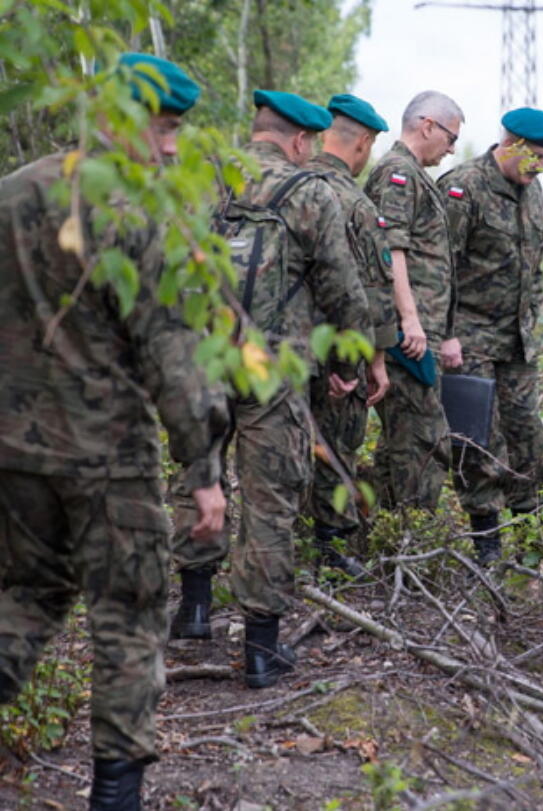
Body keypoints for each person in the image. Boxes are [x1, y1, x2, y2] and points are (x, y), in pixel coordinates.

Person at [0, 53, 228, 810]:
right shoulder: (136, 212)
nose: (169, 148)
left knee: (28, 595)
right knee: (127, 620)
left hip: (16, 452)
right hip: (109, 461)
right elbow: (174, 355)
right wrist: (204, 470)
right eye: (160, 128)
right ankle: (116, 798)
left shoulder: (13, 193)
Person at [169, 89, 372, 689]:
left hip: (203, 355)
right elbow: (342, 289)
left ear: (256, 130)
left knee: (197, 475)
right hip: (275, 370)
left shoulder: (204, 178)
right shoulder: (311, 192)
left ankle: (195, 610)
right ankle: (260, 650)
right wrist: (346, 364)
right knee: (269, 499)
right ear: (302, 140)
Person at [438, 107, 543, 564]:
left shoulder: (534, 193)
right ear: (509, 144)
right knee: (477, 444)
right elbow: (439, 266)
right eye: (533, 158)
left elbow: (535, 267)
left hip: (516, 341)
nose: (539, 168)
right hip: (468, 336)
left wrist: (531, 316)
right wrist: (446, 333)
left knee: (528, 436)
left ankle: (534, 546)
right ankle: (486, 548)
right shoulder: (464, 186)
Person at [302, 93, 398, 576]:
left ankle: (286, 544)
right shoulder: (353, 201)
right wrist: (373, 360)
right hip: (338, 346)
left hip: (280, 346)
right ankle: (330, 547)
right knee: (339, 442)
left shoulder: (289, 185)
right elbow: (373, 290)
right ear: (362, 142)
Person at [363, 91, 464, 512]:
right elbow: (392, 249)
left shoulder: (413, 174)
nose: (453, 147)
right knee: (424, 441)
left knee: (404, 441)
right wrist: (411, 320)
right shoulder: (397, 173)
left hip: (418, 334)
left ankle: (383, 541)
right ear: (427, 126)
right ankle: (408, 541)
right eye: (450, 136)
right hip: (407, 337)